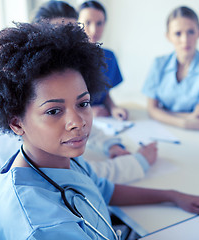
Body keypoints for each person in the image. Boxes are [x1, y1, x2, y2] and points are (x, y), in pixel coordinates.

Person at [0, 22, 199, 240]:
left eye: (83, 104)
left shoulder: (57, 158)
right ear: (16, 123)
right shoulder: (43, 228)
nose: (78, 122)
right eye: (53, 111)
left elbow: (101, 189)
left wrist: (174, 195)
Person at [31, 0, 157, 184]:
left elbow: (77, 123)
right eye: (58, 38)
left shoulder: (64, 76)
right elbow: (77, 175)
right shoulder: (35, 96)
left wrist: (111, 145)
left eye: (72, 37)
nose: (67, 47)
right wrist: (139, 162)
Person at [142, 6, 199, 130]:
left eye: (190, 32)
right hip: (162, 129)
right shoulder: (158, 64)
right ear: (168, 36)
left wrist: (161, 112)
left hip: (197, 136)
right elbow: (151, 109)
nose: (185, 40)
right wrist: (184, 122)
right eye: (178, 33)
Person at [78, 0, 128, 120]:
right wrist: (87, 110)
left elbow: (104, 93)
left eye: (99, 23)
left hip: (103, 120)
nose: (94, 29)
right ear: (76, 22)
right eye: (87, 22)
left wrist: (113, 108)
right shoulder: (66, 57)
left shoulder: (109, 57)